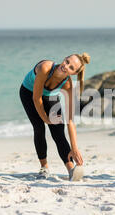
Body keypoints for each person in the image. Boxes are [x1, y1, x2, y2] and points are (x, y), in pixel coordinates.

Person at [19, 53, 89, 181]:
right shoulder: (45, 67)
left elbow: (70, 120)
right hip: (29, 94)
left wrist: (74, 148)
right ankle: (44, 167)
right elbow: (36, 98)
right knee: (39, 128)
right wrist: (45, 118)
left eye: (71, 67)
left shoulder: (67, 84)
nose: (66, 66)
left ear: (73, 73)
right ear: (64, 58)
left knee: (59, 133)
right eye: (67, 61)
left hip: (50, 96)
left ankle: (71, 170)